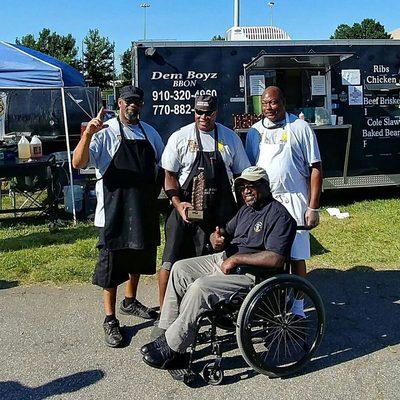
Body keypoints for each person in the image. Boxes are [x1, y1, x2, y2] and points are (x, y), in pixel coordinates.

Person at [140, 166, 297, 369]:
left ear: (265, 186)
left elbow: (275, 258)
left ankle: (173, 348)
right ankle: (167, 330)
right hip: (226, 259)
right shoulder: (246, 210)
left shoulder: (280, 217)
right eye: (242, 187)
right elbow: (224, 231)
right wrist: (217, 237)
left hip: (253, 275)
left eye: (251, 186)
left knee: (200, 287)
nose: (246, 191)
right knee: (180, 269)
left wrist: (237, 259)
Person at [72, 86, 164, 347]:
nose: (133, 106)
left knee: (138, 258)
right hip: (114, 213)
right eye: (129, 102)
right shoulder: (105, 133)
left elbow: (162, 164)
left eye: (138, 101)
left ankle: (130, 301)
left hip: (143, 210)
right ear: (119, 104)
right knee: (112, 269)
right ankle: (110, 319)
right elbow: (78, 163)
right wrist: (88, 134)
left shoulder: (150, 132)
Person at [157, 95, 250, 326]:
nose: (203, 117)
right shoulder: (180, 137)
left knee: (216, 262)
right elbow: (168, 176)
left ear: (216, 113)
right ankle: (165, 317)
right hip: (185, 212)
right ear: (194, 112)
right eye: (199, 112)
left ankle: (213, 311)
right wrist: (178, 205)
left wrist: (243, 213)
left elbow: (242, 175)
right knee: (170, 262)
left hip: (219, 212)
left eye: (208, 113)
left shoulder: (230, 139)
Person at [245, 86, 322, 317]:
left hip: (295, 199)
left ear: (283, 103)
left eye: (274, 103)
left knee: (297, 255)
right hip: (266, 204)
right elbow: (249, 170)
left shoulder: (300, 128)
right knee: (268, 255)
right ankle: (271, 302)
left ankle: (298, 307)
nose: (269, 108)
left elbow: (315, 168)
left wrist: (313, 207)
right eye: (265, 103)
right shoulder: (254, 132)